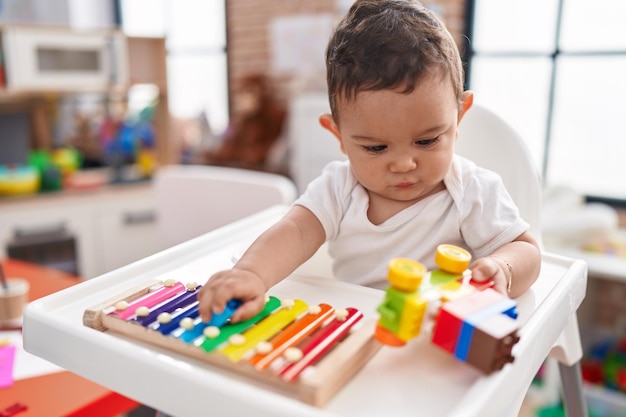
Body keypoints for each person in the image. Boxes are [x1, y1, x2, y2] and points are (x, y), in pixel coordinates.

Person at [197, 0, 541, 323]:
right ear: (339, 137)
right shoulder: (339, 188)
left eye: (427, 141)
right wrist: (251, 274)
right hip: (353, 330)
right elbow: (296, 232)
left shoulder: (471, 191)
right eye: (376, 148)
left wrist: (503, 269)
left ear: (460, 116)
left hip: (434, 338)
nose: (404, 163)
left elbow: (525, 249)